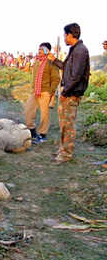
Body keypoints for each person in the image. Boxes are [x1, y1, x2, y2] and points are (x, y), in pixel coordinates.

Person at [47, 23, 90, 164]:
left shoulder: (80, 51)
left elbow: (76, 75)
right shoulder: (75, 49)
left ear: (71, 35)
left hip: (71, 94)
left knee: (68, 125)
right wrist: (54, 60)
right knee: (64, 124)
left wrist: (65, 91)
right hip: (68, 92)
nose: (64, 37)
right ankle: (63, 150)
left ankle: (66, 154)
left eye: (65, 35)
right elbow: (67, 68)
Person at [24, 42, 60, 144]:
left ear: (47, 51)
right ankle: (32, 132)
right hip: (35, 91)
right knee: (28, 111)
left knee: (44, 114)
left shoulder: (51, 63)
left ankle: (42, 135)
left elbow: (56, 79)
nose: (39, 51)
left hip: (45, 92)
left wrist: (51, 92)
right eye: (39, 49)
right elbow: (34, 77)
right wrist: (32, 88)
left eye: (42, 49)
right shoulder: (36, 62)